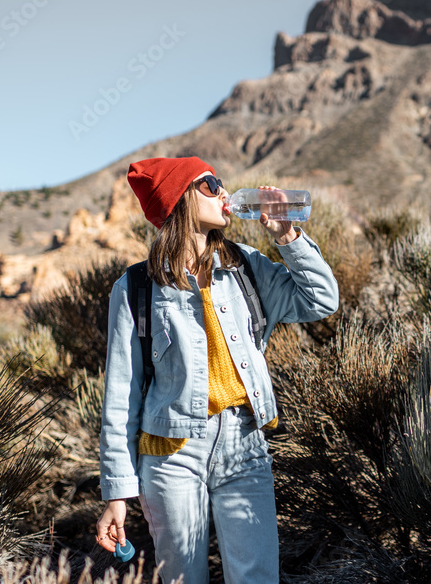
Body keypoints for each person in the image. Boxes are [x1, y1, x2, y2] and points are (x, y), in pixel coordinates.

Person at [95, 156, 339, 583]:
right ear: (179, 200)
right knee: (184, 578)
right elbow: (121, 396)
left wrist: (288, 236)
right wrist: (117, 494)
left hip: (244, 443)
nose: (224, 192)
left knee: (257, 576)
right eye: (210, 185)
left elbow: (321, 300)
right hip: (171, 451)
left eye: (221, 183)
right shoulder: (135, 288)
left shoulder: (245, 267)